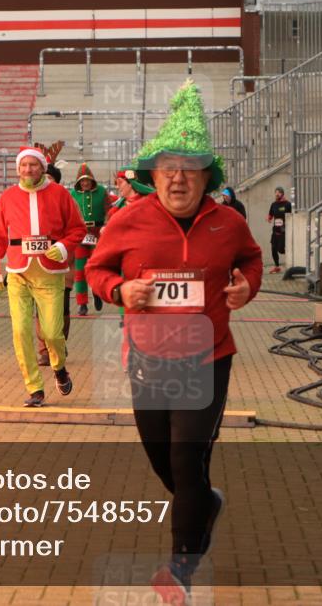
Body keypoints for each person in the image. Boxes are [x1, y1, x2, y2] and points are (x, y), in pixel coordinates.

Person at [86, 80, 263, 602]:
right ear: (153, 176)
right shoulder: (127, 220)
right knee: (163, 460)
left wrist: (246, 286)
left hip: (208, 358)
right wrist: (121, 290)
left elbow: (251, 259)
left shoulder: (227, 223)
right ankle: (204, 504)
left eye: (190, 168)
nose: (178, 178)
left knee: (187, 460)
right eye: (168, 168)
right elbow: (96, 269)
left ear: (207, 177)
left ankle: (179, 569)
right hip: (147, 358)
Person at [0, 147, 86, 407]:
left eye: (33, 165)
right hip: (18, 274)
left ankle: (59, 367)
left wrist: (64, 246)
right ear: (17, 169)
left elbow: (77, 228)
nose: (28, 170)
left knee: (53, 333)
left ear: (43, 167)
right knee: (20, 332)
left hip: (50, 274)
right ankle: (35, 389)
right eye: (23, 165)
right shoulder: (8, 197)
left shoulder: (60, 194)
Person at [35, 161, 74, 367]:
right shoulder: (30, 201)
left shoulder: (65, 200)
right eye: (44, 177)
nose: (45, 182)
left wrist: (62, 248)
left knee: (62, 308)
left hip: (61, 265)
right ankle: (44, 350)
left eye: (50, 178)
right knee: (40, 309)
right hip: (35, 268)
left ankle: (59, 343)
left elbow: (76, 230)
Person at [69, 163, 112, 316]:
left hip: (97, 234)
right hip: (81, 235)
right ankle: (82, 303)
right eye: (82, 181)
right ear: (78, 182)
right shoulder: (73, 195)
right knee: (80, 270)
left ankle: (97, 292)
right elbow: (69, 214)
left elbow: (109, 210)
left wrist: (107, 224)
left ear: (92, 180)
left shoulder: (101, 192)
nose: (85, 183)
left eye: (87, 180)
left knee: (96, 266)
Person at [266, 186, 292, 274]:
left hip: (284, 230)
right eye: (276, 192)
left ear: (282, 194)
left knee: (281, 249)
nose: (277, 194)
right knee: (273, 248)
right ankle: (277, 266)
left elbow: (291, 215)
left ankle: (291, 260)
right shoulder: (274, 204)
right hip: (275, 230)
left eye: (279, 192)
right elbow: (270, 215)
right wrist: (269, 219)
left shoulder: (287, 204)